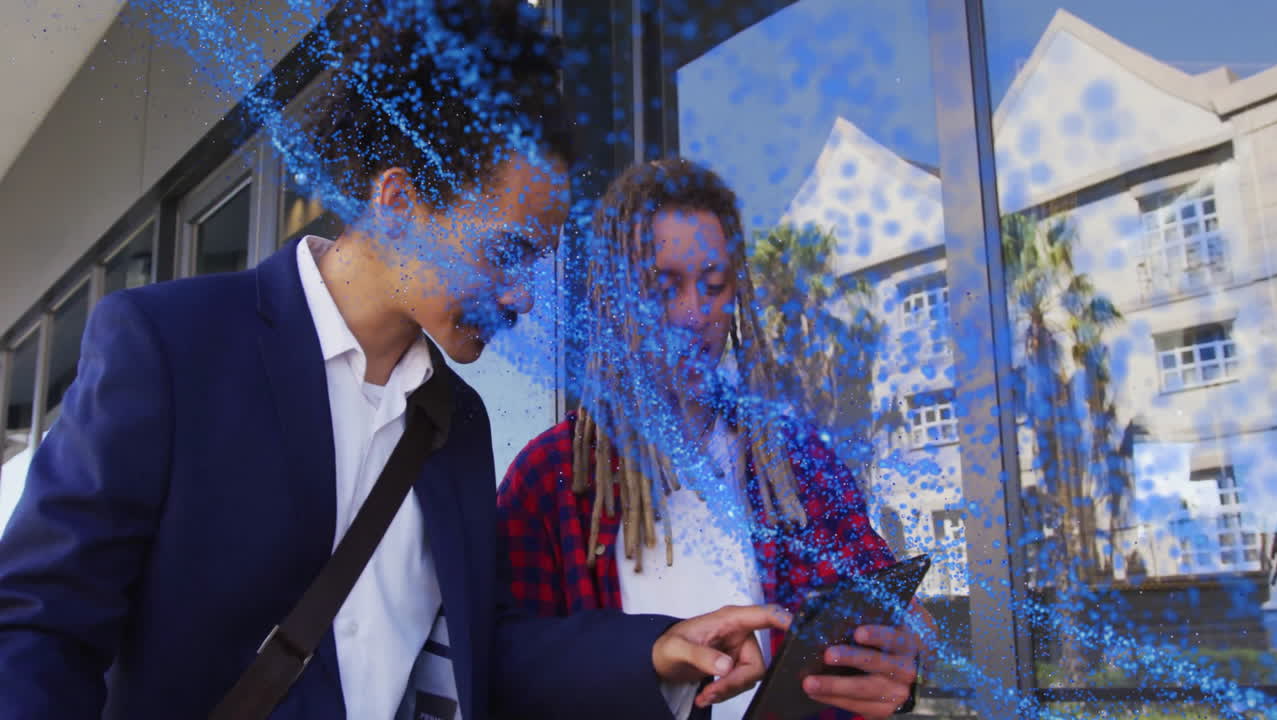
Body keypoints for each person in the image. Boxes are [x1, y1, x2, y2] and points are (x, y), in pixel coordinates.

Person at [0, 4, 786, 719]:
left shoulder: (459, 423)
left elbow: (478, 659)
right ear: (400, 201)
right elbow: (39, 628)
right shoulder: (171, 347)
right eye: (506, 253)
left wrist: (656, 648)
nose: (520, 299)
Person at [498, 158, 937, 720]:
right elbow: (507, 675)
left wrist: (901, 662)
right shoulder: (550, 476)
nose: (693, 312)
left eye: (713, 284)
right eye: (663, 286)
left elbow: (886, 609)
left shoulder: (796, 460)